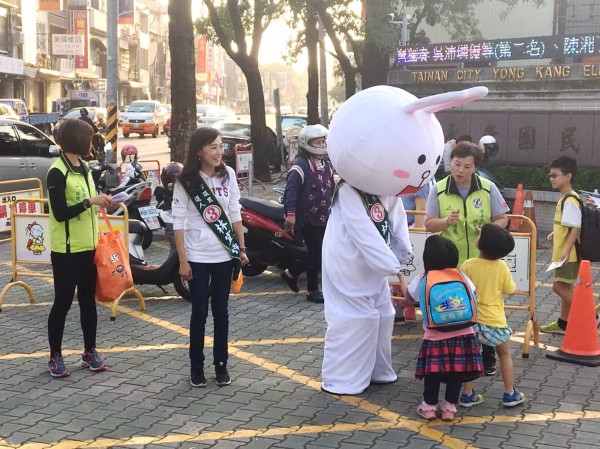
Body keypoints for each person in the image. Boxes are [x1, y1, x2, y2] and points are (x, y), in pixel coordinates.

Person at [319, 84, 488, 396]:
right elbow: (363, 235)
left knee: (383, 312)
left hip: (375, 269)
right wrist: (391, 264)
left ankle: (378, 369)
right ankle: (343, 377)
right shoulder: (347, 191)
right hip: (350, 266)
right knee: (358, 316)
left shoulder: (385, 189)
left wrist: (404, 252)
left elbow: (396, 220)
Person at [172, 127, 249, 388]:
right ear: (199, 151)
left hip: (224, 255)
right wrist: (182, 261)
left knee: (222, 312)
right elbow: (178, 223)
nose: (219, 152)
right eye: (213, 147)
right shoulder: (186, 182)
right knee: (199, 311)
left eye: (221, 146)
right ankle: (196, 366)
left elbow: (235, 213)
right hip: (196, 255)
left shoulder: (227, 175)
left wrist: (241, 247)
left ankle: (221, 365)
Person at [424, 141, 509, 377]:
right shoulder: (438, 189)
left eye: (467, 166)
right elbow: (429, 223)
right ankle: (456, 358)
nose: (460, 170)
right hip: (452, 264)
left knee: (484, 310)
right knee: (456, 311)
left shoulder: (487, 187)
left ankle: (488, 356)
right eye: (456, 164)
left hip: (482, 262)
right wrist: (445, 222)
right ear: (450, 161)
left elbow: (503, 218)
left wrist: (489, 231)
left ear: (475, 168)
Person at [46, 119, 113, 378]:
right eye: (88, 137)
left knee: (88, 302)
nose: (92, 141)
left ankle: (90, 352)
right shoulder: (56, 171)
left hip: (89, 247)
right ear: (77, 139)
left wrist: (103, 201)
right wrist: (89, 201)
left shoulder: (84, 167)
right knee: (62, 303)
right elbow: (60, 213)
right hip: (65, 251)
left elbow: (90, 201)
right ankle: (55, 356)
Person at [407, 235, 483, 421]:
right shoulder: (461, 276)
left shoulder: (423, 278)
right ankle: (449, 407)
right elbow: (473, 293)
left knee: (433, 373)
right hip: (464, 333)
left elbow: (411, 298)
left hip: (436, 335)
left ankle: (429, 407)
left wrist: (401, 279)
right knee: (456, 372)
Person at [459, 223, 525, 408]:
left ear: (482, 243)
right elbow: (510, 289)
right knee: (504, 355)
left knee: (472, 355)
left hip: (472, 320)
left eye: (481, 233)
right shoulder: (502, 267)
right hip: (495, 321)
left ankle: (467, 394)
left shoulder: (468, 265)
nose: (478, 233)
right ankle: (510, 393)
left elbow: (463, 287)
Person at [280, 124, 334, 303]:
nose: (320, 144)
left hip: (324, 215)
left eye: (322, 141)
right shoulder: (301, 165)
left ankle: (291, 273)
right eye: (317, 142)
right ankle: (312, 289)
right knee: (316, 251)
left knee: (319, 251)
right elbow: (291, 190)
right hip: (308, 217)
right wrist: (291, 213)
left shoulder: (326, 163)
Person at [540, 156, 583, 334]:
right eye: (550, 175)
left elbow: (576, 228)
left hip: (568, 255)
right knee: (567, 287)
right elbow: (566, 226)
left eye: (555, 175)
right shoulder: (565, 198)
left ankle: (590, 316)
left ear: (568, 176)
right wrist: (554, 233)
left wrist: (566, 251)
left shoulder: (570, 199)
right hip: (566, 254)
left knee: (558, 287)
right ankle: (563, 323)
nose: (551, 178)